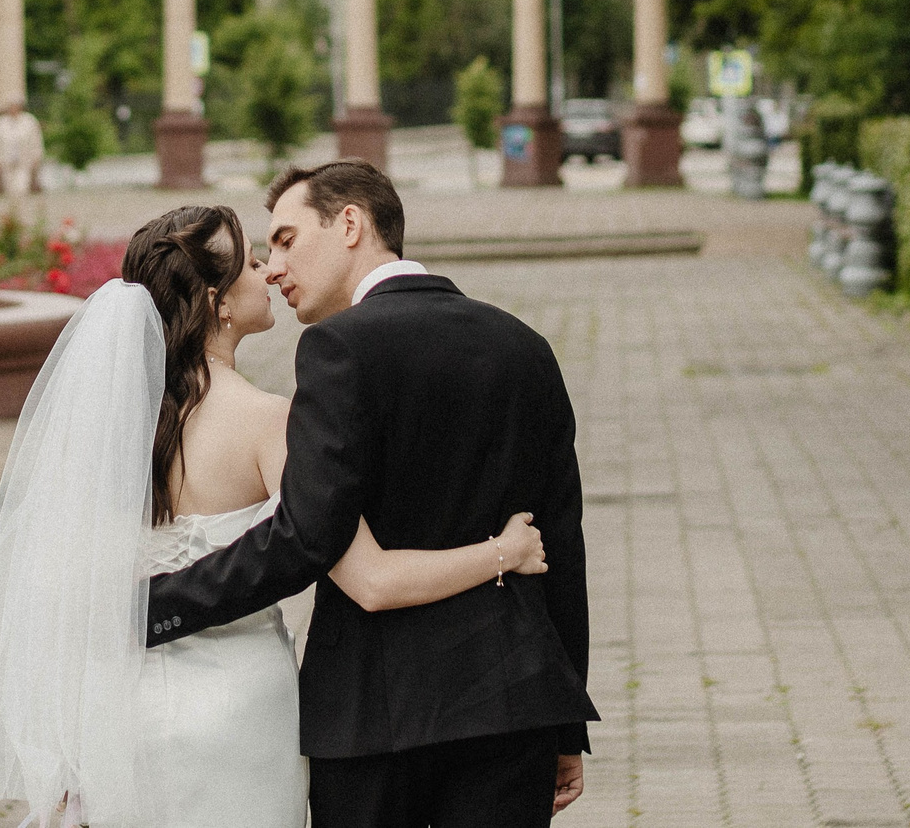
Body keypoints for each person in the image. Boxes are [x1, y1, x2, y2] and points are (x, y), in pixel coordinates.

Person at [0, 202, 552, 828]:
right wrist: (503, 552)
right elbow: (370, 581)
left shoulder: (110, 431)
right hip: (236, 711)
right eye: (252, 263)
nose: (269, 271)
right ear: (219, 304)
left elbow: (65, 586)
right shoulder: (269, 422)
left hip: (120, 713)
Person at [148, 162, 594, 826]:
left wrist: (154, 606)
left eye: (288, 239)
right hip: (514, 705)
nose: (274, 267)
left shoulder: (337, 347)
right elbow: (561, 537)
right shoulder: (524, 345)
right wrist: (564, 723)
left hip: (373, 717)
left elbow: (306, 536)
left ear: (351, 223)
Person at [0, 98, 46, 225]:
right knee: (10, 191)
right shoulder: (0, 123)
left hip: (24, 163)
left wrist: (37, 156)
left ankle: (22, 218)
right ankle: (13, 218)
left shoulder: (29, 121)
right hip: (6, 163)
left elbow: (36, 140)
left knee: (21, 189)